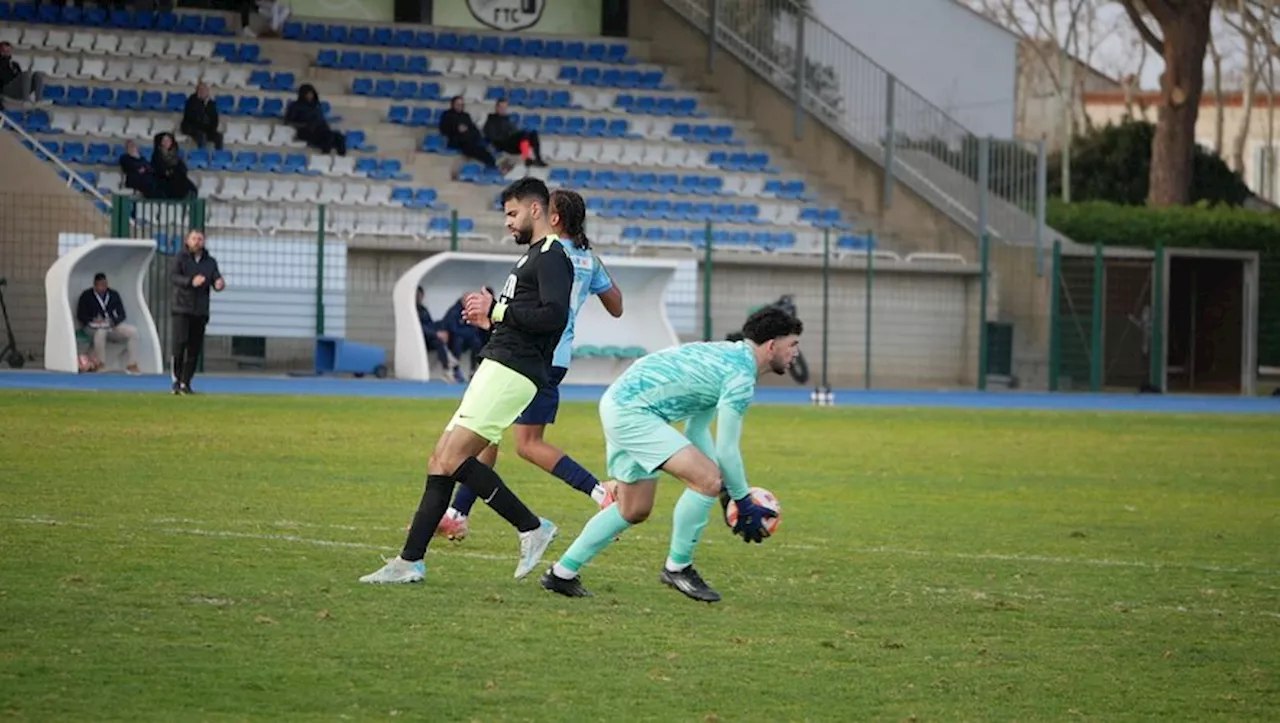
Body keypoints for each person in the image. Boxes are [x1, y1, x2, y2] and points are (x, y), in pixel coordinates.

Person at [360, 177, 573, 585]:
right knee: (440, 459)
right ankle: (410, 562)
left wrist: (497, 312)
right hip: (499, 363)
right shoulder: (532, 256)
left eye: (512, 214)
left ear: (535, 209)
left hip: (514, 371)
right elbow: (521, 319)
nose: (508, 222)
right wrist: (489, 319)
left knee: (455, 458)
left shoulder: (551, 255)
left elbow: (554, 317)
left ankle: (532, 527)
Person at [540, 306, 803, 603]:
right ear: (771, 346)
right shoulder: (741, 375)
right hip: (634, 412)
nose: (796, 352)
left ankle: (561, 574)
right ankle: (678, 567)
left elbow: (696, 430)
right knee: (706, 480)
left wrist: (726, 490)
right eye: (792, 344)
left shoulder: (726, 357)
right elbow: (727, 451)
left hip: (620, 402)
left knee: (634, 508)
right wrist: (741, 499)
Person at [438, 189, 623, 541]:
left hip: (530, 358)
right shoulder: (586, 258)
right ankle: (457, 513)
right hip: (557, 358)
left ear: (553, 218)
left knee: (526, 443)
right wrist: (595, 269)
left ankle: (602, 494)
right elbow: (617, 305)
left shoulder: (550, 254)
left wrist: (493, 315)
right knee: (487, 435)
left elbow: (538, 313)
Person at [170, 230, 225, 395]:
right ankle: (176, 380)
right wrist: (190, 282)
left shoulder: (210, 262)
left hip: (200, 310)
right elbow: (173, 277)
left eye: (200, 239)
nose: (197, 242)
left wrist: (219, 283)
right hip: (182, 308)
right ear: (187, 240)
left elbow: (216, 277)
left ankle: (186, 382)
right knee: (179, 346)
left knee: (194, 349)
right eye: (194, 238)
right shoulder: (180, 258)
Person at [75, 272, 140, 374]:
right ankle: (100, 364)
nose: (103, 287)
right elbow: (81, 315)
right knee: (101, 332)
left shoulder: (113, 295)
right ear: (95, 285)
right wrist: (93, 320)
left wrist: (113, 321)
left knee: (132, 331)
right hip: (93, 327)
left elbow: (122, 314)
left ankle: (132, 365)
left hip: (111, 326)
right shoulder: (86, 296)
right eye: (100, 285)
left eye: (104, 284)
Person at [438, 95, 499, 171]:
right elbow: (443, 129)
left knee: (484, 145)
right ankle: (492, 165)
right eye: (458, 104)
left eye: (461, 104)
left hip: (470, 140)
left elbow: (473, 128)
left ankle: (494, 164)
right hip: (457, 141)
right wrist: (457, 128)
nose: (460, 106)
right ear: (453, 105)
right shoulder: (447, 115)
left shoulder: (465, 115)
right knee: (477, 150)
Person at [484, 98, 546, 167]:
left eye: (505, 107)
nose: (503, 109)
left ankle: (538, 159)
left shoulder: (508, 119)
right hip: (504, 144)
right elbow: (491, 136)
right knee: (524, 134)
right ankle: (527, 158)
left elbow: (515, 131)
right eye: (501, 107)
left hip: (515, 143)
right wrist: (507, 135)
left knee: (533, 133)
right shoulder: (491, 121)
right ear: (497, 107)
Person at [285, 84, 346, 155]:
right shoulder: (295, 106)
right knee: (328, 137)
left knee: (339, 137)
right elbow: (288, 121)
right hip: (306, 131)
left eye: (311, 94)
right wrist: (305, 125)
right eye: (308, 94)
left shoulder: (316, 105)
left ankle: (342, 158)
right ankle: (325, 155)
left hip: (321, 130)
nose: (310, 96)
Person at [416, 285, 458, 379]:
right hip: (419, 340)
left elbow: (430, 324)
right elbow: (420, 327)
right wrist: (436, 334)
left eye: (420, 295)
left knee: (444, 335)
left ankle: (450, 363)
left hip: (430, 337)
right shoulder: (413, 310)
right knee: (438, 339)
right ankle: (448, 364)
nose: (419, 297)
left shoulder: (423, 310)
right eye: (417, 295)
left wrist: (439, 332)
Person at [152, 133, 198, 199]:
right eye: (164, 140)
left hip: (178, 178)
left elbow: (183, 168)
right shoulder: (156, 156)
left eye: (168, 140)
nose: (166, 143)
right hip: (165, 181)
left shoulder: (175, 155)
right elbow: (160, 170)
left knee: (188, 185)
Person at [0, 41, 46, 106]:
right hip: (6, 90)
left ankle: (39, 101)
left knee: (38, 74)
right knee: (27, 73)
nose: (8, 52)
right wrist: (4, 60)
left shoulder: (15, 64)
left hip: (17, 90)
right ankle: (26, 101)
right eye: (5, 51)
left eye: (9, 50)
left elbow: (21, 77)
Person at [181, 82, 223, 151]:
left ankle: (219, 157)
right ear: (197, 91)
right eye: (201, 90)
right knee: (202, 136)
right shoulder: (191, 101)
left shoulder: (211, 103)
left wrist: (212, 129)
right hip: (192, 128)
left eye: (205, 90)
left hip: (206, 128)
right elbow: (192, 117)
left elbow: (215, 118)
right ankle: (201, 155)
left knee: (219, 136)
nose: (203, 92)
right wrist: (202, 104)